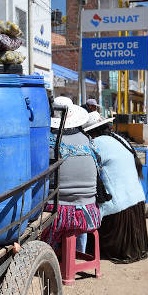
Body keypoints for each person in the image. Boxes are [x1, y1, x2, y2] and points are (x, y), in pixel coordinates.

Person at [84, 112, 148, 263]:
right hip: (136, 200)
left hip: (119, 206)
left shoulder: (96, 144)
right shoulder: (120, 139)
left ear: (90, 132)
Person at [43, 97, 101, 248]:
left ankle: (52, 258)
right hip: (89, 213)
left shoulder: (47, 142)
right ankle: (75, 254)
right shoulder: (88, 140)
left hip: (57, 215)